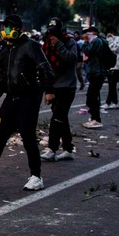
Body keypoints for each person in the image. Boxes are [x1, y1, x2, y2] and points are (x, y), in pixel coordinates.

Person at [0, 14, 55, 190]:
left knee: (27, 136)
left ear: (19, 29)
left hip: (28, 99)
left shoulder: (31, 46)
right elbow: (1, 83)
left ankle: (36, 177)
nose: (6, 30)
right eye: (5, 26)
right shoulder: (6, 51)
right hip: (10, 100)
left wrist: (49, 90)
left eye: (10, 26)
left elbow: (46, 69)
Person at [39, 17, 78, 162]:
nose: (52, 36)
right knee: (61, 118)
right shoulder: (46, 45)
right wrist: (48, 90)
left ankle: (52, 149)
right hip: (54, 86)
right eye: (50, 32)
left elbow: (71, 59)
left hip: (67, 86)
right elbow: (45, 68)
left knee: (57, 118)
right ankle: (68, 149)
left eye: (55, 33)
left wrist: (60, 46)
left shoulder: (69, 42)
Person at [81, 26, 106, 128]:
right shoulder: (97, 42)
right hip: (95, 72)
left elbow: (88, 52)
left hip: (98, 73)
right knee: (93, 97)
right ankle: (94, 118)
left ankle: (96, 119)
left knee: (92, 97)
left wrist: (86, 42)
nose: (87, 36)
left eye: (89, 34)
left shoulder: (97, 41)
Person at [104, 29, 119, 110]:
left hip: (117, 65)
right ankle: (114, 102)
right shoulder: (113, 40)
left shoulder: (118, 39)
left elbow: (114, 49)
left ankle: (108, 102)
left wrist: (110, 39)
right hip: (112, 65)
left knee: (112, 84)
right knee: (111, 84)